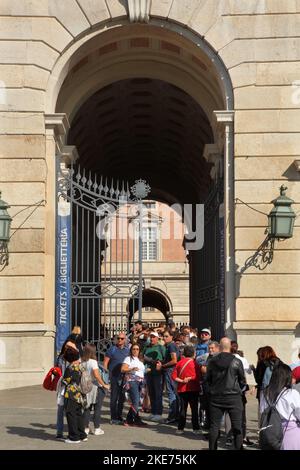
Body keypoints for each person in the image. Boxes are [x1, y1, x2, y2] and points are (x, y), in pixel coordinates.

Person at [206, 337, 246, 450]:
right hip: (233, 396)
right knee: (237, 426)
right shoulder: (237, 361)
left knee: (214, 426)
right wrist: (239, 389)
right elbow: (242, 380)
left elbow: (207, 379)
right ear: (230, 347)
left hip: (216, 396)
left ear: (219, 347)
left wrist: (212, 390)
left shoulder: (212, 361)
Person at [260, 362, 300, 450]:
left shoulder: (264, 393)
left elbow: (262, 412)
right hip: (290, 433)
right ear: (287, 377)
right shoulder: (291, 393)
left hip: (270, 432)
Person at [224, 341, 254, 448]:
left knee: (228, 413)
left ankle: (228, 437)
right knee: (240, 415)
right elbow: (246, 375)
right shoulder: (242, 360)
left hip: (225, 390)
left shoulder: (223, 359)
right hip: (238, 391)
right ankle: (242, 437)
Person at [171, 345, 201, 435]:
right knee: (194, 409)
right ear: (193, 354)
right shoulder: (195, 364)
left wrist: (182, 380)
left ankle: (180, 428)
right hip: (194, 389)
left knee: (182, 409)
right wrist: (190, 378)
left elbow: (173, 376)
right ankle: (196, 428)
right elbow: (198, 377)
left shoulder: (179, 363)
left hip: (182, 389)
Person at [81, 344, 110, 435]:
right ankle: (97, 428)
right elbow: (97, 375)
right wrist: (104, 384)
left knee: (87, 408)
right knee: (97, 408)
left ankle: (86, 428)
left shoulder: (82, 362)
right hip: (95, 386)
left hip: (85, 386)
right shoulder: (93, 362)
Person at [103, 332, 130, 424]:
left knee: (122, 398)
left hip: (124, 377)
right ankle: (113, 418)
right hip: (114, 377)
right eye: (118, 338)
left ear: (125, 340)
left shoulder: (127, 351)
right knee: (114, 398)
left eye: (122, 338)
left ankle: (119, 416)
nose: (120, 340)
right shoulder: (112, 350)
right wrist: (106, 376)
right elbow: (105, 363)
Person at [62, 348, 87, 444]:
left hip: (71, 394)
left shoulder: (70, 367)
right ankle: (82, 434)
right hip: (80, 394)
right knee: (78, 414)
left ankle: (74, 437)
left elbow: (65, 381)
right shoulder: (81, 366)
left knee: (71, 414)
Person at [121, 344, 147, 426]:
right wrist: (131, 369)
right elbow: (122, 369)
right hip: (132, 381)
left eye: (137, 349)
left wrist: (147, 370)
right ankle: (128, 420)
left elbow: (140, 371)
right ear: (131, 350)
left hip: (140, 382)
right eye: (134, 349)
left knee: (138, 401)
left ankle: (136, 419)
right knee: (135, 401)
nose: (135, 351)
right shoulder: (128, 358)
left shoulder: (139, 360)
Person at [197, 341, 220, 432]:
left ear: (217, 348)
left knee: (214, 407)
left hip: (215, 385)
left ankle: (214, 426)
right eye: (209, 348)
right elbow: (198, 361)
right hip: (206, 385)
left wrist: (207, 370)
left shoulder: (219, 358)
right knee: (206, 405)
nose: (210, 350)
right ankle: (208, 424)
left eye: (212, 348)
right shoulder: (207, 357)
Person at [143, 331, 166, 422]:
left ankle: (158, 414)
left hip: (158, 374)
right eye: (151, 337)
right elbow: (142, 357)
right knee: (151, 393)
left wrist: (158, 363)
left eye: (153, 337)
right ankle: (153, 412)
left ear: (157, 338)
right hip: (148, 373)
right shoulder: (146, 347)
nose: (152, 339)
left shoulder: (161, 348)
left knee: (158, 393)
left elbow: (165, 359)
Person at [161, 329, 180, 423]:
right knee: (173, 393)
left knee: (171, 393)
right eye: (163, 336)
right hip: (172, 371)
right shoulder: (171, 345)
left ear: (172, 337)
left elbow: (174, 360)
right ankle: (175, 415)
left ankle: (172, 416)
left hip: (170, 371)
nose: (164, 338)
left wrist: (163, 365)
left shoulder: (171, 346)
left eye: (166, 336)